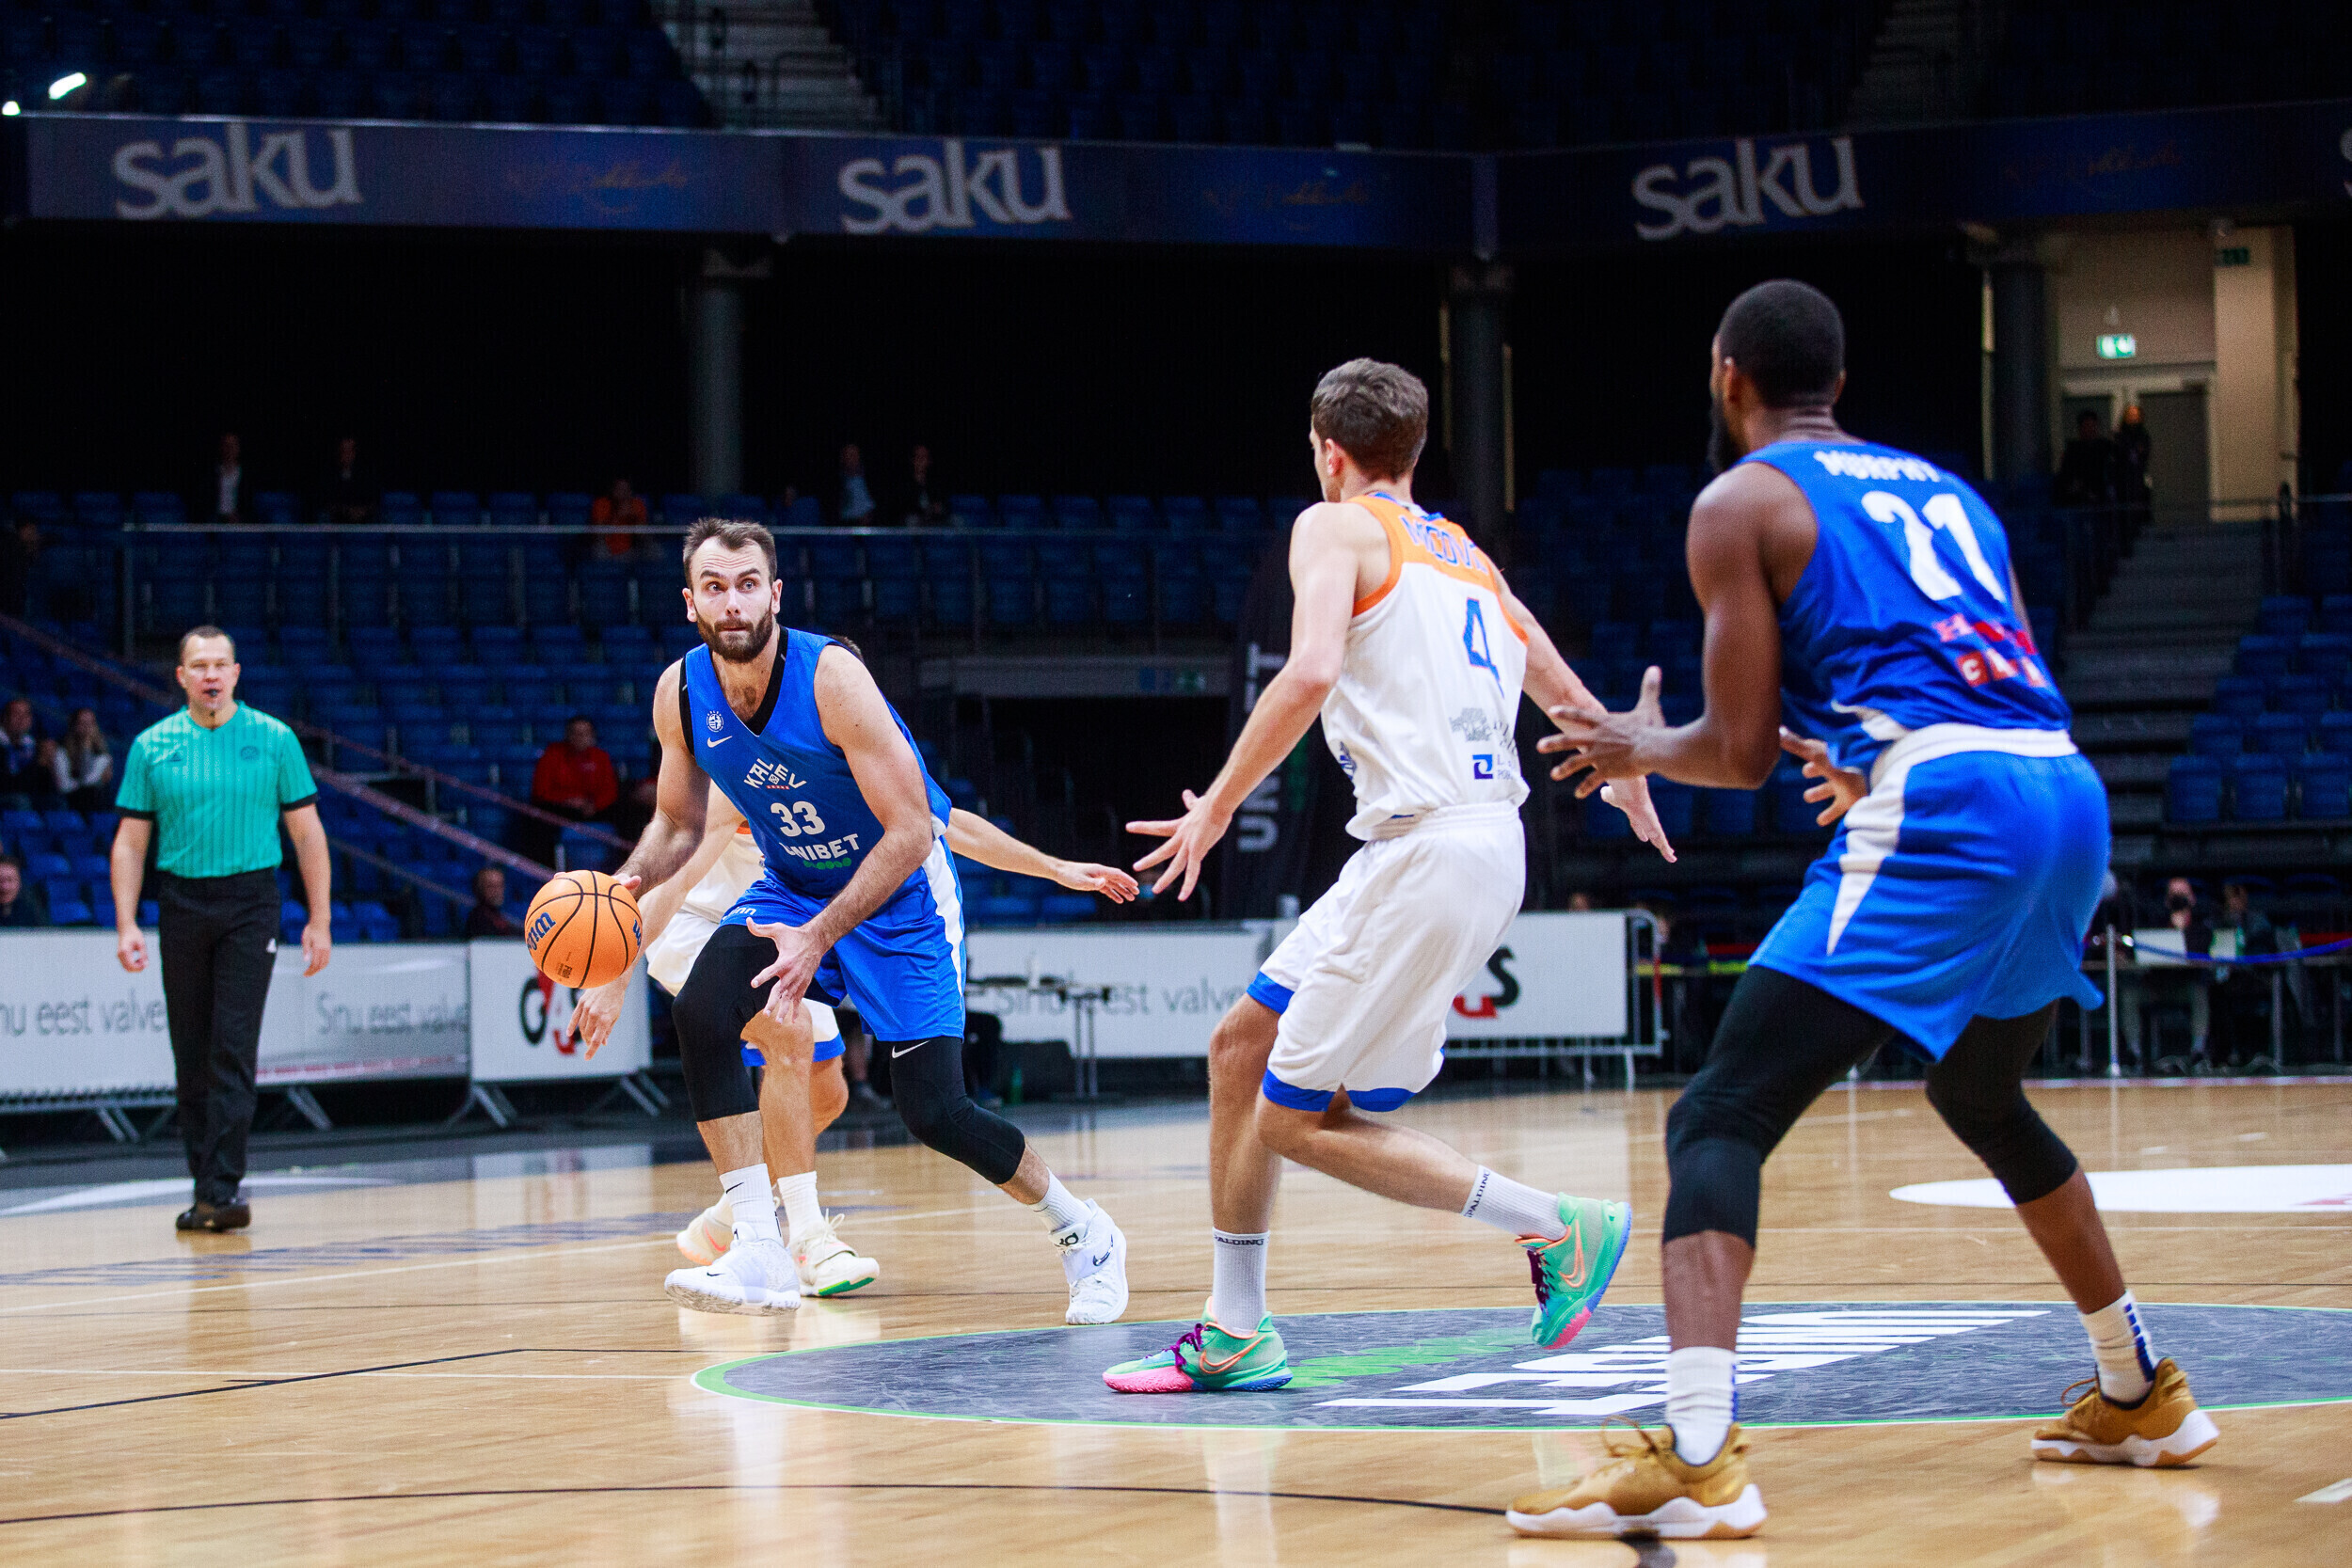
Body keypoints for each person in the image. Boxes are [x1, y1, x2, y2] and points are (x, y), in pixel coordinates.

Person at [1523, 281, 2216, 1540]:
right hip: (2063, 788)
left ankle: (1696, 1454)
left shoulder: (1741, 500)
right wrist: (1868, 757)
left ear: (1727, 375)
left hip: (1951, 801)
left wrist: (1639, 744)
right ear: (1836, 383)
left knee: (1718, 1112)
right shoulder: (1950, 491)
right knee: (1982, 1095)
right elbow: (1983, 672)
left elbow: (1737, 751)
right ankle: (2137, 1389)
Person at [1100, 359, 1672, 1400]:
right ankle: (1235, 1327)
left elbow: (1311, 668)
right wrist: (1619, 760)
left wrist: (1216, 804)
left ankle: (1556, 1225)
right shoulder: (1465, 556)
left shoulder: (1332, 526)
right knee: (1240, 1048)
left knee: (1291, 1118)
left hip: (1430, 849)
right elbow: (1547, 666)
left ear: (1328, 452)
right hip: (1444, 847)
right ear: (1412, 448)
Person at [594, 516, 1130, 1320]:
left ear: (775, 594)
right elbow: (677, 824)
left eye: (748, 585)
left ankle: (1084, 1231)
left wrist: (823, 934)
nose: (733, 602)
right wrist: (617, 895)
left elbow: (918, 829)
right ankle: (760, 1243)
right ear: (690, 602)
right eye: (715, 587)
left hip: (897, 900)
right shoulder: (681, 691)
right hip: (791, 886)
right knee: (703, 1008)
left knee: (935, 1111)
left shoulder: (833, 680)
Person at [573, 765, 1137, 1297]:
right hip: (705, 923)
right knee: (787, 1032)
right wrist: (616, 973)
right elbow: (677, 878)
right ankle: (801, 1239)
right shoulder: (741, 765)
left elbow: (948, 823)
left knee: (834, 1096)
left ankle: (731, 1214)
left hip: (812, 920)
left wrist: (1054, 868)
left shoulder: (863, 746)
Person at [112, 626, 334, 1235]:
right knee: (191, 1054)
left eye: (220, 664)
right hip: (181, 901)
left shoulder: (275, 738)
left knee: (231, 1047)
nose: (210, 674)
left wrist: (319, 919)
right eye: (199, 665)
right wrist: (127, 921)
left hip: (250, 903)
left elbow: (308, 834)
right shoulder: (152, 746)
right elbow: (130, 842)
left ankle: (222, 1189)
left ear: (236, 673)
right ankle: (205, 1189)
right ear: (181, 676)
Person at [528, 715, 619, 864]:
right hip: (561, 809)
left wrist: (594, 805)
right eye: (576, 733)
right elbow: (541, 791)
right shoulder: (552, 755)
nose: (580, 737)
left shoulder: (601, 757)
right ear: (568, 735)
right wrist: (568, 800)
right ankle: (549, 867)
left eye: (585, 733)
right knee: (538, 822)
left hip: (593, 809)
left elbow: (610, 791)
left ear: (592, 736)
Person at [51, 706, 113, 815]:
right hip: (69, 800)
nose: (87, 728)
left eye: (90, 724)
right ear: (74, 726)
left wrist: (86, 749)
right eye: (82, 723)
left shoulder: (102, 756)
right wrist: (79, 784)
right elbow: (64, 786)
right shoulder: (61, 751)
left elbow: (89, 779)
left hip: (92, 801)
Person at [2, 696, 54, 808]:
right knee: (20, 801)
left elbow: (45, 786)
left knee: (55, 802)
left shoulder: (33, 745)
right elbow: (8, 785)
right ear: (5, 718)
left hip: (26, 794)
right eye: (16, 714)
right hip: (6, 796)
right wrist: (39, 764)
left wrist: (46, 766)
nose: (22, 719)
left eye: (26, 715)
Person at [2056, 409, 2116, 507]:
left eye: (2093, 426)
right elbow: (2067, 474)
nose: (2090, 429)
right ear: (2080, 428)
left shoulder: (2106, 446)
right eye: (2087, 426)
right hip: (2080, 497)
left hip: (2102, 495)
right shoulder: (2073, 449)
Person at [323, 436, 373, 526]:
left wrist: (362, 511)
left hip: (361, 520)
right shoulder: (330, 475)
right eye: (344, 451)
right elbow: (326, 501)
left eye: (350, 451)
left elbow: (371, 500)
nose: (348, 455)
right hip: (335, 520)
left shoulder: (365, 475)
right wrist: (345, 511)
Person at [592, 478, 646, 559]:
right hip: (606, 548)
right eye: (619, 489)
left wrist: (634, 517)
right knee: (600, 552)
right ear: (612, 490)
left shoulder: (637, 504)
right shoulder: (601, 504)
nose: (622, 493)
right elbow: (598, 535)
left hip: (630, 549)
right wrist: (618, 515)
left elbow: (643, 536)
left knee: (655, 551)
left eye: (625, 490)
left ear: (630, 492)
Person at [893, 444, 946, 528]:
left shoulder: (935, 483)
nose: (920, 460)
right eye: (918, 457)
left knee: (957, 520)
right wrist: (925, 510)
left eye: (924, 457)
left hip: (934, 519)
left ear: (929, 461)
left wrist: (938, 508)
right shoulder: (904, 483)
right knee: (911, 520)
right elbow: (903, 508)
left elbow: (943, 503)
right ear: (912, 460)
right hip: (916, 519)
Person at [464, 864, 520, 936]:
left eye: (500, 886)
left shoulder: (498, 916)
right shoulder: (477, 920)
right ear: (479, 889)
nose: (497, 891)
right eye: (491, 886)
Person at [0, 854, 45, 927]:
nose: (5, 887)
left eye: (10, 880)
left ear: (19, 883)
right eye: (0, 881)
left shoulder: (31, 910)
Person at [212, 433, 246, 527]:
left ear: (238, 448)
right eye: (227, 446)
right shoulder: (213, 473)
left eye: (233, 446)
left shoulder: (245, 475)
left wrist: (239, 516)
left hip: (238, 520)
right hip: (215, 520)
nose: (229, 449)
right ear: (221, 448)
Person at [835, 444, 875, 525]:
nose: (853, 459)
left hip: (873, 526)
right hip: (846, 525)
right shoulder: (838, 483)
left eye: (855, 455)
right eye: (849, 455)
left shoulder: (870, 479)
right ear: (842, 459)